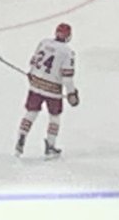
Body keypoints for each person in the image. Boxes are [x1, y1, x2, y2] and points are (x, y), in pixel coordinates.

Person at [16, 22, 78, 158]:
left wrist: (31, 74)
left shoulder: (44, 42)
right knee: (54, 117)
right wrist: (71, 93)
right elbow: (67, 78)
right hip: (53, 89)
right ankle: (50, 146)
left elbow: (33, 62)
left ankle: (21, 137)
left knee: (31, 112)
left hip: (36, 84)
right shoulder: (68, 52)